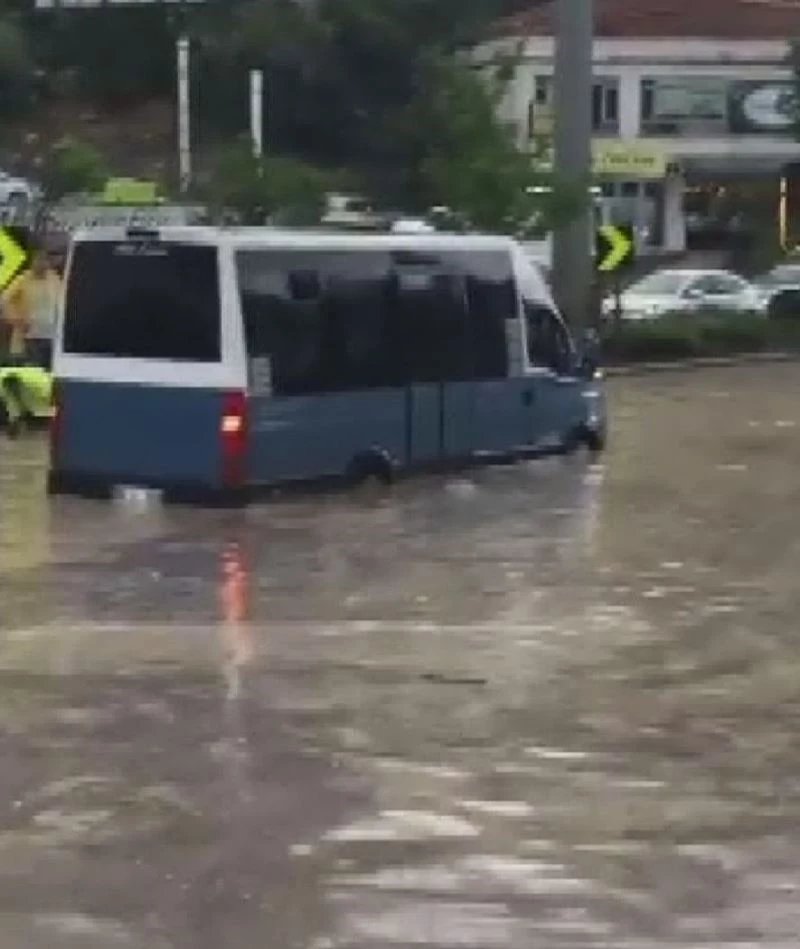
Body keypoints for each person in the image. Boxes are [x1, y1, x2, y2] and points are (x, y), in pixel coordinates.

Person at [1, 249, 62, 369]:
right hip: (29, 337)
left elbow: (62, 302)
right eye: (37, 260)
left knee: (48, 373)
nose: (40, 264)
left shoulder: (54, 279)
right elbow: (4, 300)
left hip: (51, 337)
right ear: (32, 262)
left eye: (44, 260)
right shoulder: (23, 279)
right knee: (32, 372)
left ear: (48, 263)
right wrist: (17, 320)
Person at [0, 361, 53, 438]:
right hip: (43, 385)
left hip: (45, 389)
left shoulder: (7, 382)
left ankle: (14, 429)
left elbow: (13, 399)